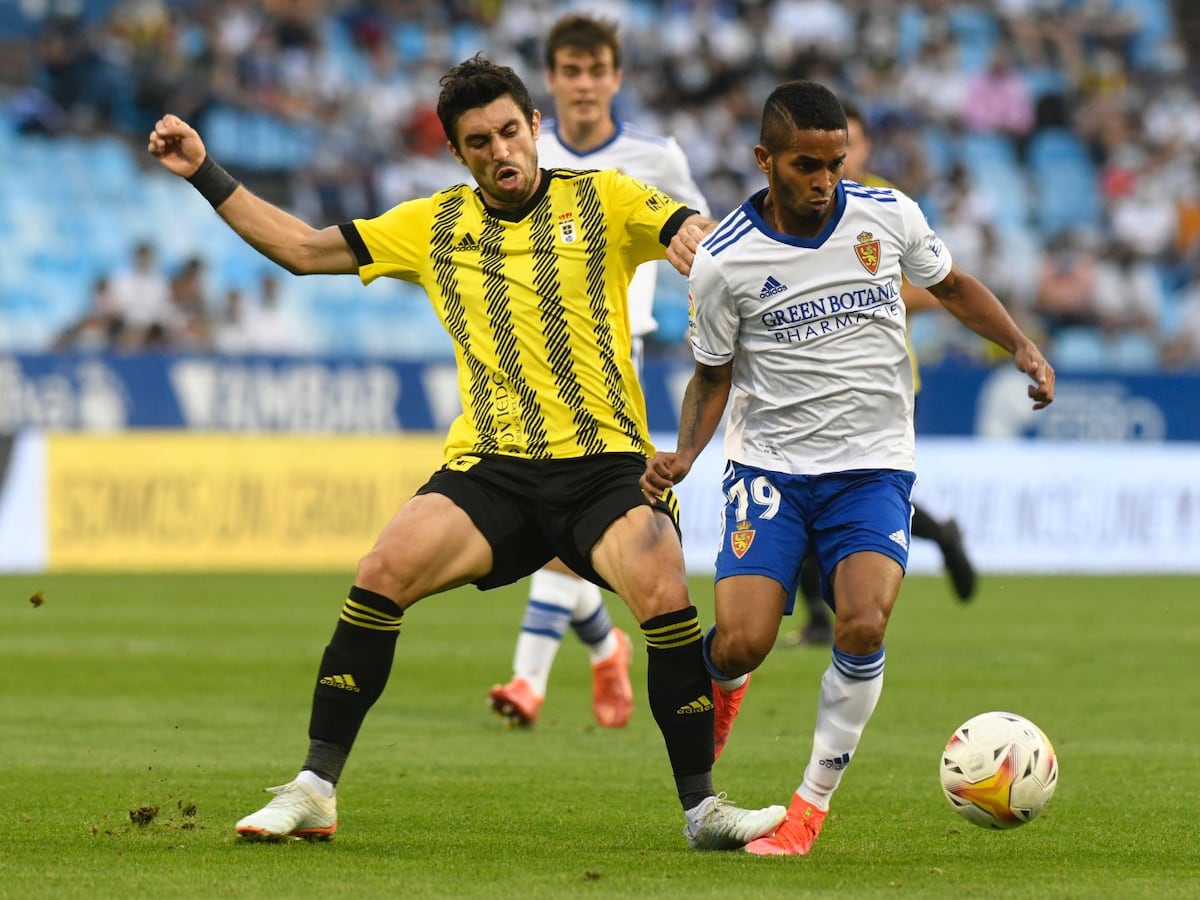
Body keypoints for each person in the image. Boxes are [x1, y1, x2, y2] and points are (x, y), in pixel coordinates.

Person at [147, 54, 786, 850]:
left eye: (511, 131)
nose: (500, 151)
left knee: (660, 582)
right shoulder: (432, 224)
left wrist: (693, 233)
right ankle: (314, 788)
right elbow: (307, 251)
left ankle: (703, 809)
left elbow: (681, 224)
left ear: (536, 128)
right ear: (458, 152)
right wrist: (204, 170)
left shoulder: (606, 197)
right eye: (479, 141)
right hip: (491, 469)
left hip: (604, 466)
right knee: (381, 571)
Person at [641, 81, 1055, 856]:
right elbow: (713, 371)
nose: (824, 179)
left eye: (833, 162)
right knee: (741, 643)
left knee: (862, 621)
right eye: (805, 164)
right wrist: (686, 455)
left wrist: (1021, 346)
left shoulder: (887, 215)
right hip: (768, 467)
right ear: (765, 159)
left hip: (872, 467)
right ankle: (724, 687)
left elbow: (953, 286)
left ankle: (808, 810)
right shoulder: (724, 261)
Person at [488, 13, 711, 730]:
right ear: (550, 81)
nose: (584, 85)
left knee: (562, 512)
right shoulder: (522, 147)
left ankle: (527, 681)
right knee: (555, 528)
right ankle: (606, 646)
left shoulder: (656, 157)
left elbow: (703, 249)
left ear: (616, 77)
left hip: (617, 359)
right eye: (571, 72)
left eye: (597, 71)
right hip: (523, 364)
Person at [786, 99, 976, 648]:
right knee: (802, 484)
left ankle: (936, 534)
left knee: (861, 492)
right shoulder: (798, 204)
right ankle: (822, 619)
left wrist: (870, 293)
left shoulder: (886, 207)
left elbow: (939, 288)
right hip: (807, 375)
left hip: (886, 381)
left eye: (858, 144)